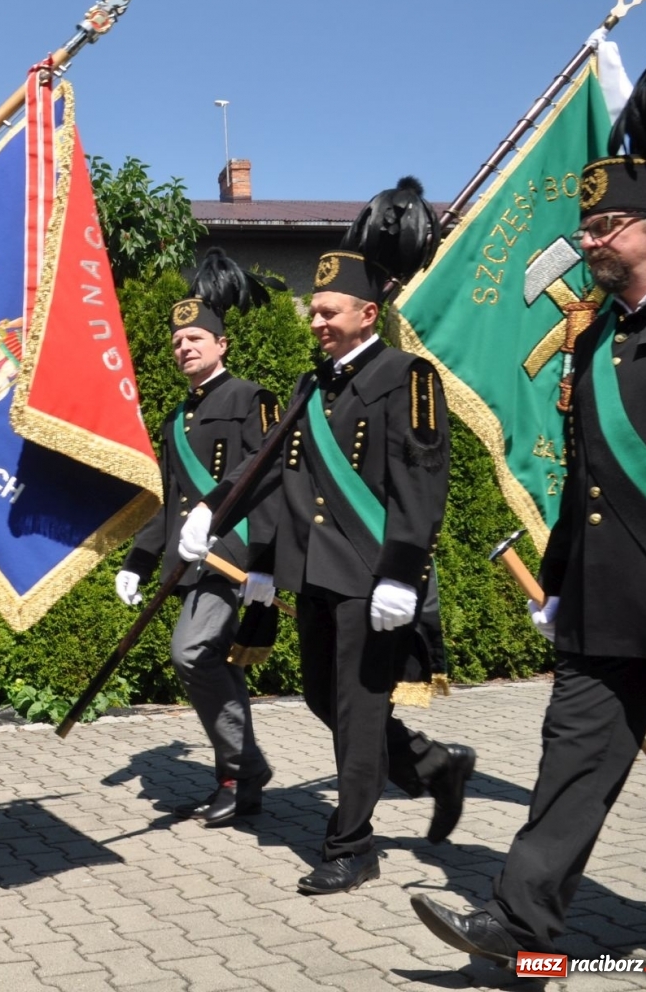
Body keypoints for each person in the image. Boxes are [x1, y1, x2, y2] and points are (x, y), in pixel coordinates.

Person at [412, 35, 646, 964]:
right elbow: (585, 482)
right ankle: (519, 928)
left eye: (608, 229)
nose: (591, 243)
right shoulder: (591, 342)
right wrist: (559, 582)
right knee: (569, 769)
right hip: (606, 603)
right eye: (589, 228)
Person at [182, 178, 476, 895]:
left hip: (370, 578)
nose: (314, 321)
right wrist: (215, 518)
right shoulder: (310, 389)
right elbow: (266, 473)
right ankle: (431, 767)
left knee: (353, 708)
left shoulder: (406, 377)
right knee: (323, 698)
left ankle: (351, 844)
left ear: (366, 313)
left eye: (327, 311)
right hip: (312, 573)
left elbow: (419, 483)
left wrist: (403, 572)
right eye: (311, 311)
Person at [117, 249, 282, 826]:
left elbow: (267, 469)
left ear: (221, 344)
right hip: (191, 562)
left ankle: (245, 767)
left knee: (191, 652)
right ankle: (239, 778)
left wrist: (234, 534)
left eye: (196, 338)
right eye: (178, 340)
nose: (185, 346)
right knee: (215, 664)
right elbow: (169, 499)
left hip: (233, 556)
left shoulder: (251, 398)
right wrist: (139, 559)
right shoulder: (174, 420)